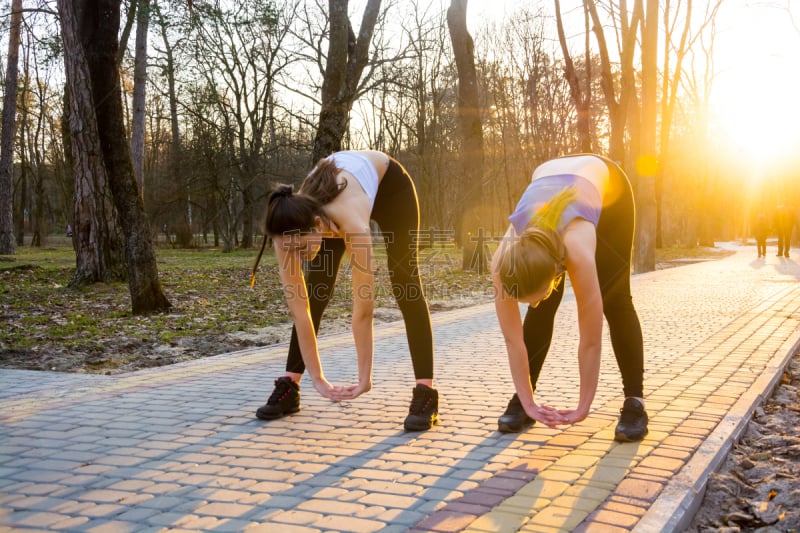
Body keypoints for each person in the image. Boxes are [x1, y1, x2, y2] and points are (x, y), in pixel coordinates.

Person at [251, 150, 438, 431]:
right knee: (316, 291)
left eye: (303, 248)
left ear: (317, 226)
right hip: (332, 207)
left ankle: (425, 392)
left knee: (405, 283)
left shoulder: (353, 226)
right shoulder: (286, 230)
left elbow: (364, 310)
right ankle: (291, 384)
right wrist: (318, 379)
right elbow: (300, 311)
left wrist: (364, 378)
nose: (299, 256)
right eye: (293, 250)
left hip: (391, 189)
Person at [491, 153, 648, 442]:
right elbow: (513, 341)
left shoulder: (577, 251)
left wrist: (583, 406)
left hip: (608, 185)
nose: (533, 303)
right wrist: (527, 401)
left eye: (534, 297)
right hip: (552, 175)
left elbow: (590, 340)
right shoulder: (503, 263)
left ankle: (634, 403)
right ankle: (522, 401)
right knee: (541, 312)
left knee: (615, 300)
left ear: (555, 270)